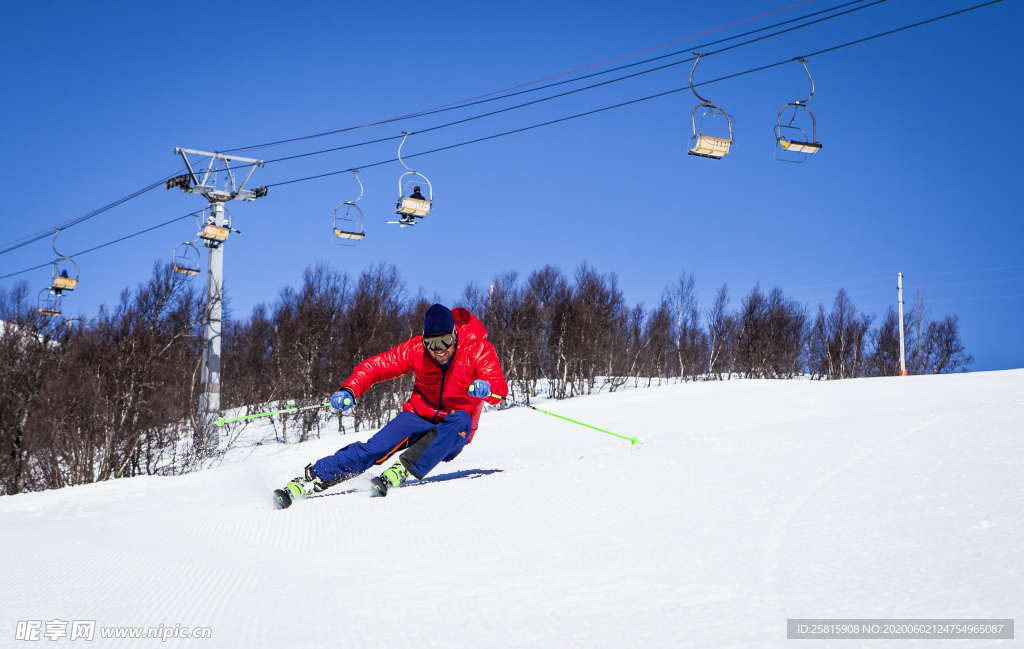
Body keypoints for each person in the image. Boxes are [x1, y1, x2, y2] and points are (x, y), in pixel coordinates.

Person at [276, 303, 508, 506]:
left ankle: (403, 469)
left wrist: (487, 389)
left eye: (444, 342)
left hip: (454, 428)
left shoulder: (477, 350)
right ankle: (314, 478)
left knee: (461, 419)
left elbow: (499, 390)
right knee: (375, 448)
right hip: (419, 415)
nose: (438, 351)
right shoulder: (416, 350)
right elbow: (376, 367)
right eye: (431, 343)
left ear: (455, 335)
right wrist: (350, 389)